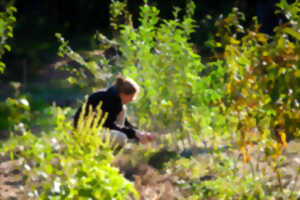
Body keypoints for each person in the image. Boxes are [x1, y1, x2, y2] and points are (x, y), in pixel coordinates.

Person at [73, 75, 153, 147]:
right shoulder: (109, 100)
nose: (131, 100)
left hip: (97, 129)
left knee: (123, 109)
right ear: (123, 94)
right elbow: (109, 126)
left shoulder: (115, 99)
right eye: (131, 98)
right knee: (122, 138)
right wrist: (134, 133)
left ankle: (106, 150)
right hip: (85, 131)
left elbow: (124, 124)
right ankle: (106, 153)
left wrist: (140, 133)